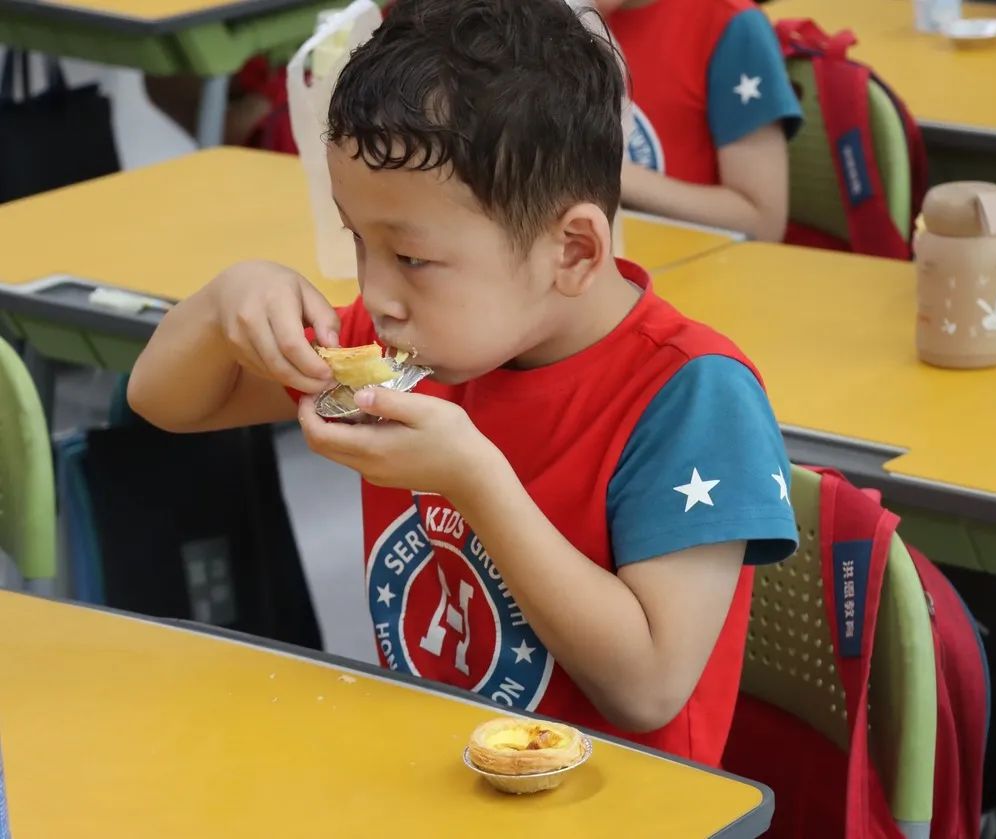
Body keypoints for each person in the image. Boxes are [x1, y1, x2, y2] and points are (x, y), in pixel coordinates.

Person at [127, 0, 797, 765]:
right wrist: (225, 302)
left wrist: (475, 481)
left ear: (572, 251)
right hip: (425, 784)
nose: (375, 293)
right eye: (357, 240)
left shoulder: (693, 397)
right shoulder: (420, 339)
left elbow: (647, 687)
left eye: (410, 257)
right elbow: (165, 401)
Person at [595, 0, 802, 241]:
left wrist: (606, 174)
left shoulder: (730, 24)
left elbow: (764, 223)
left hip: (694, 264)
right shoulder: (560, 15)